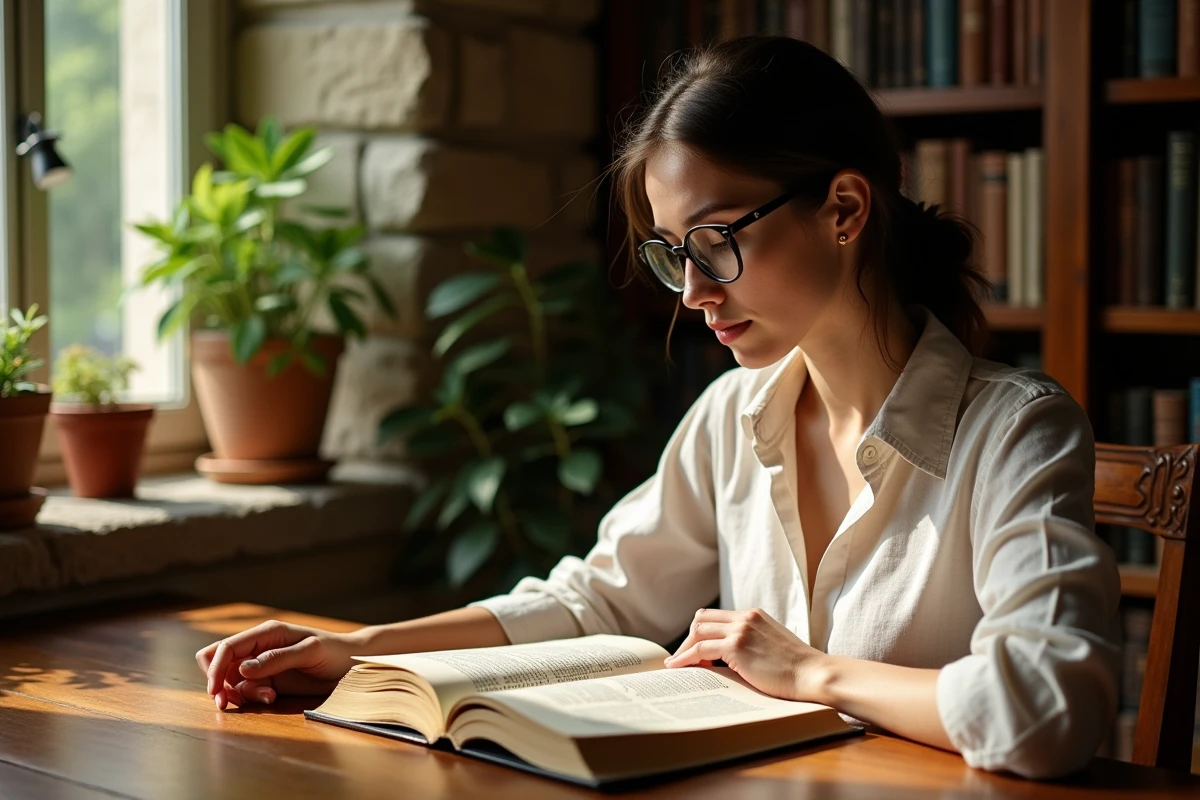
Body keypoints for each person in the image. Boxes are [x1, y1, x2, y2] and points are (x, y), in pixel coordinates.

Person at [196, 36, 1120, 779]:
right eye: (670, 254)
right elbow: (597, 597)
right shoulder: (733, 415)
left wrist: (809, 674)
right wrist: (354, 650)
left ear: (843, 208)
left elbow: (1045, 708)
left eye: (714, 242)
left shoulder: (1015, 431)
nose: (691, 292)